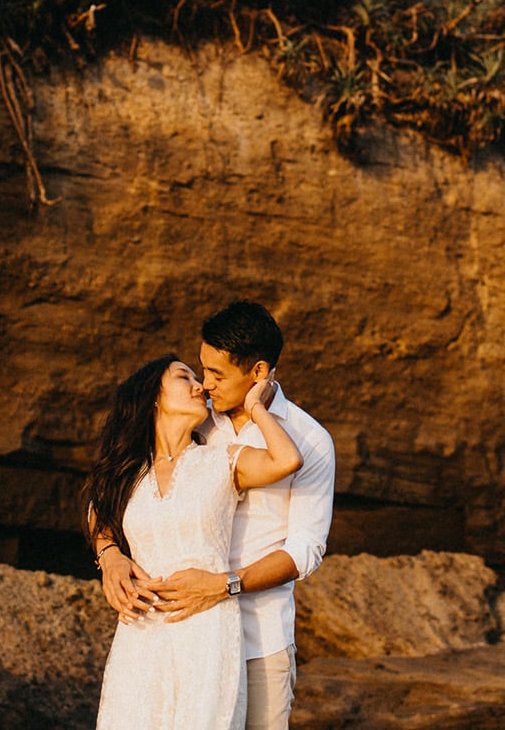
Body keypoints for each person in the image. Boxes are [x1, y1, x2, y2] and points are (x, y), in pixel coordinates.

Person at [98, 302, 337, 730]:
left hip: (259, 638)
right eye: (199, 370)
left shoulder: (310, 439)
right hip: (168, 634)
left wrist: (224, 585)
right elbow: (110, 491)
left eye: (216, 374)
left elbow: (306, 550)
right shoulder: (198, 424)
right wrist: (110, 555)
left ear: (259, 373)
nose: (205, 384)